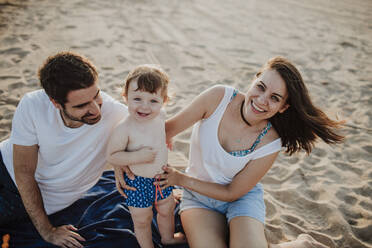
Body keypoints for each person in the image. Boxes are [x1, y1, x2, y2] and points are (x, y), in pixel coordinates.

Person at [154, 56, 343, 248]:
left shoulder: (270, 142)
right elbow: (165, 131)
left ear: (283, 107)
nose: (262, 100)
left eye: (274, 98)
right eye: (261, 87)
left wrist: (180, 180)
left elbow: (231, 192)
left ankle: (301, 245)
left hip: (240, 199)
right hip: (198, 199)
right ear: (254, 79)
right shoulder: (217, 98)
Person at [0, 52, 128, 247]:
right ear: (56, 103)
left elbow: (159, 132)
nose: (96, 109)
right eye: (82, 105)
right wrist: (48, 232)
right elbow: (24, 172)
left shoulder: (116, 114)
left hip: (19, 199)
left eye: (97, 95)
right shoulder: (33, 105)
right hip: (10, 170)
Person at [106, 65, 185, 248]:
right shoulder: (124, 128)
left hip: (162, 177)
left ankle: (168, 238)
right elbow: (112, 155)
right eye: (137, 98)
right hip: (137, 182)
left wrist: (169, 136)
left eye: (153, 101)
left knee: (167, 210)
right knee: (142, 219)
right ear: (125, 97)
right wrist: (138, 157)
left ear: (164, 101)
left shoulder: (160, 116)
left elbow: (163, 127)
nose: (144, 106)